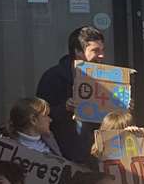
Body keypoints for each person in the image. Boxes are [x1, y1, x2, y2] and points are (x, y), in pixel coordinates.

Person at [36, 25, 107, 164]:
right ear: (78, 51)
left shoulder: (106, 77)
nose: (101, 55)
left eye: (102, 50)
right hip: (63, 156)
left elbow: (108, 118)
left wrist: (122, 107)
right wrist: (65, 108)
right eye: (95, 50)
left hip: (96, 154)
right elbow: (38, 118)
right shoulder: (52, 78)